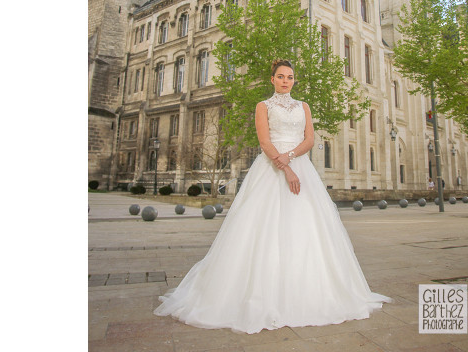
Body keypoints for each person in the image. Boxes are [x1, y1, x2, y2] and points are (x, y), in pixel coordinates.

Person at [154, 59, 391, 333]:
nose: (285, 81)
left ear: (294, 80)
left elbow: (310, 140)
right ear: (272, 79)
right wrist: (283, 167)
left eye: (290, 77)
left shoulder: (304, 107)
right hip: (270, 168)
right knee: (260, 229)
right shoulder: (263, 106)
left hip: (297, 164)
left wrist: (289, 160)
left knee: (308, 228)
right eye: (280, 76)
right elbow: (264, 141)